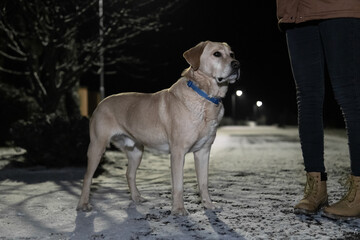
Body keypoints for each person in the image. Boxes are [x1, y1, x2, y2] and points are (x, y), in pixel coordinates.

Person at [276, 0, 360, 219]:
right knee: (307, 97)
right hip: (295, 11)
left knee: (349, 93)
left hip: (339, 7)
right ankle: (316, 187)